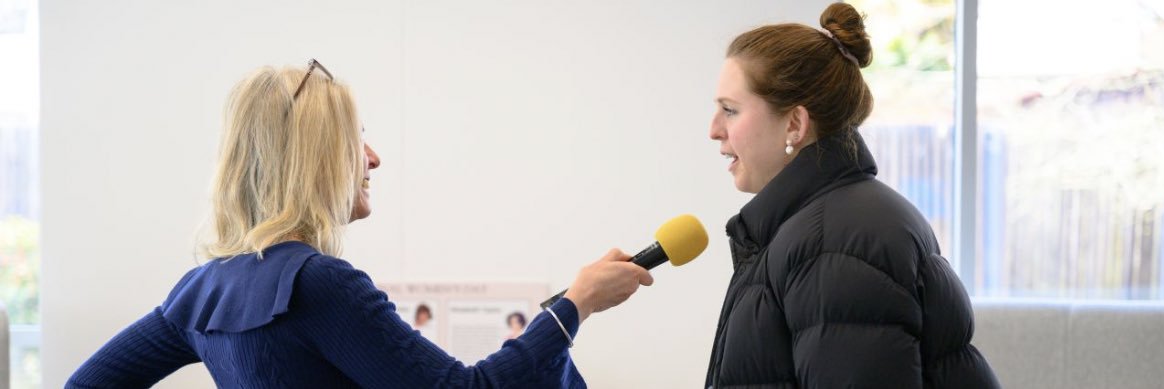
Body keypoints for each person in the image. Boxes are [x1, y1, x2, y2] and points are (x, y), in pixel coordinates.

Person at [67, 59, 653, 388]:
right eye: (356, 139)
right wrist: (575, 306)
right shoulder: (319, 285)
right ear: (313, 157)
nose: (373, 158)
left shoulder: (198, 293)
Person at [704, 4, 999, 388]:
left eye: (730, 110)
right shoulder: (834, 222)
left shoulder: (833, 245)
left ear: (794, 124)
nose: (714, 130)